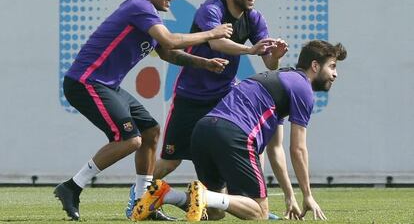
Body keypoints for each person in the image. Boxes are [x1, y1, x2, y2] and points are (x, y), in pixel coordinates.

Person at [53, 0, 233, 221]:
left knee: (150, 131)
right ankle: (72, 186)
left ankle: (142, 201)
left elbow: (168, 52)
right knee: (130, 139)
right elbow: (170, 40)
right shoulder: (139, 7)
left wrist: (203, 63)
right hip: (86, 82)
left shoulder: (148, 14)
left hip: (107, 85)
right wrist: (211, 33)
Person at [131, 40, 347, 221]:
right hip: (233, 135)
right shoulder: (302, 88)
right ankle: (203, 195)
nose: (335, 74)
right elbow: (298, 149)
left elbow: (276, 149)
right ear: (315, 66)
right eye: (333, 66)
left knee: (215, 212)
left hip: (203, 131)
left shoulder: (282, 82)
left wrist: (290, 196)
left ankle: (166, 194)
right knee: (259, 211)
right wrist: (308, 195)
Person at [152, 0, 287, 185]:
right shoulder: (211, 9)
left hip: (224, 98)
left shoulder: (254, 18)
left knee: (249, 143)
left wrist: (276, 55)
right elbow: (217, 43)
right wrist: (249, 49)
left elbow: (270, 63)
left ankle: (253, 200)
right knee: (170, 161)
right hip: (191, 96)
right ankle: (138, 194)